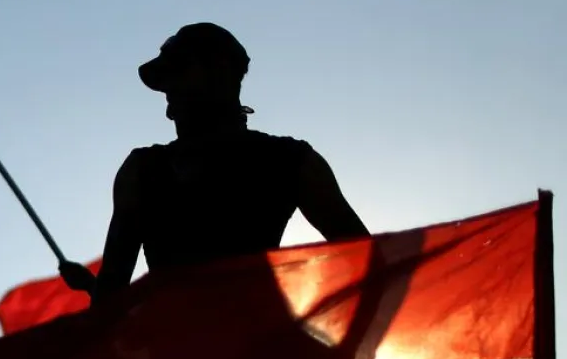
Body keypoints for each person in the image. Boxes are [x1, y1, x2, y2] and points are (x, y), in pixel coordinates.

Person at [77, 23, 369, 300]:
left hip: (264, 348)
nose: (169, 93)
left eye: (178, 74)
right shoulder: (141, 170)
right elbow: (111, 293)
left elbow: (368, 261)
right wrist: (95, 291)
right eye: (165, 83)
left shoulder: (289, 160)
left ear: (219, 74)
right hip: (178, 350)